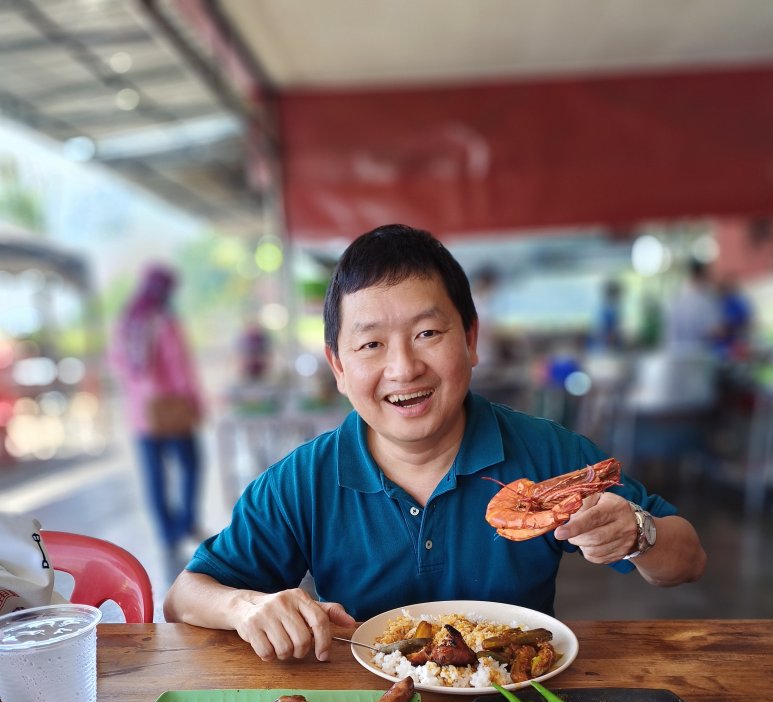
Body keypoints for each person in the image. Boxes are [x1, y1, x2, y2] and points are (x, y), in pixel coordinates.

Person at [164, 225, 706, 661]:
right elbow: (184, 596)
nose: (403, 368)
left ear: (470, 339)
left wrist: (637, 533)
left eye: (428, 333)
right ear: (339, 367)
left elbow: (688, 560)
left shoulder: (547, 454)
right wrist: (245, 606)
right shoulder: (302, 480)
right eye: (371, 343)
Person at [110, 265, 204, 575]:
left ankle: (167, 534)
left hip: (141, 414)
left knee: (154, 476)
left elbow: (118, 367)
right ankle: (185, 522)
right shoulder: (164, 321)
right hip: (172, 408)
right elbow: (179, 367)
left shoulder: (126, 323)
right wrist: (194, 401)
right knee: (191, 464)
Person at [665, 258, 721, 356]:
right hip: (698, 356)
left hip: (677, 356)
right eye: (708, 275)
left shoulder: (676, 298)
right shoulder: (703, 300)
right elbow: (713, 330)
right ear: (700, 275)